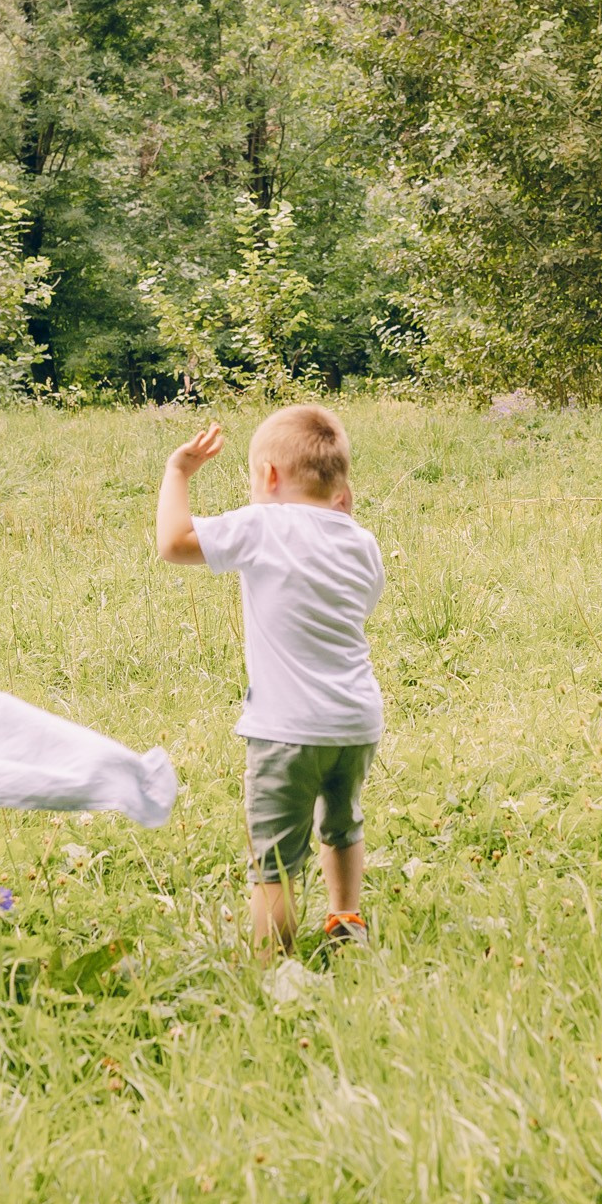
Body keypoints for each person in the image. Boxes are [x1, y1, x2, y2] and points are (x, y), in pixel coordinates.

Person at [156, 405, 385, 955]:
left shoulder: (263, 524)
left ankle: (275, 963)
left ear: (270, 477)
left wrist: (178, 473)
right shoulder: (363, 542)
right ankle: (344, 917)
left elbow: (173, 543)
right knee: (343, 821)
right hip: (355, 723)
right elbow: (363, 600)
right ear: (342, 490)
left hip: (287, 729)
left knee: (277, 857)